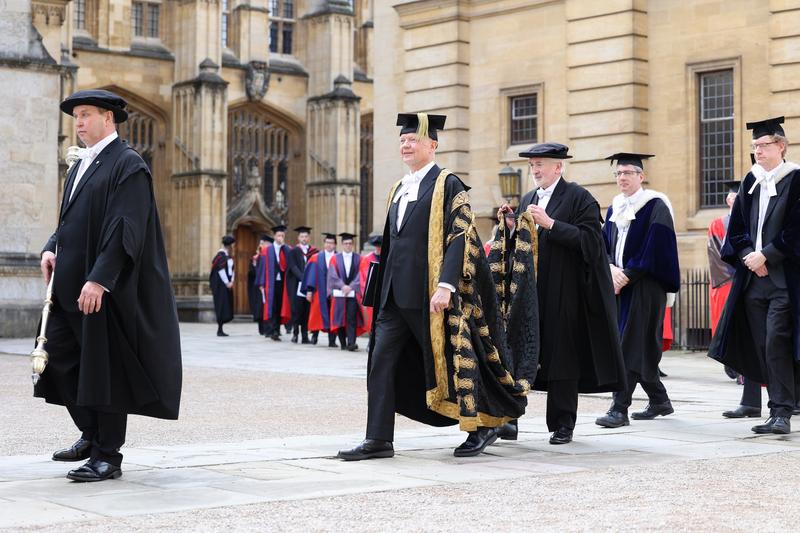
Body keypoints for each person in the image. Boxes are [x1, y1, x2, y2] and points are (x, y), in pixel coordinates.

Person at [338, 113, 538, 461]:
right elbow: (392, 243)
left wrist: (446, 284)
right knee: (380, 362)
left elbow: (460, 235)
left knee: (458, 358)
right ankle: (379, 438)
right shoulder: (398, 189)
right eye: (402, 140)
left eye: (412, 140)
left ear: (432, 145)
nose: (405, 144)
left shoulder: (448, 184)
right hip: (393, 297)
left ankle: (483, 425)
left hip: (431, 294)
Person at [36, 89, 182, 482]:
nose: (79, 123)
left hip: (100, 291)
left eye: (86, 115)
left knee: (104, 371)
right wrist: (52, 247)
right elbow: (70, 219)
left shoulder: (128, 164)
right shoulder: (82, 164)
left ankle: (107, 455)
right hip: (67, 285)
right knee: (61, 359)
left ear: (108, 119)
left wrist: (100, 279)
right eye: (76, 116)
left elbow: (125, 227)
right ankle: (91, 432)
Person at [500, 142, 626, 445]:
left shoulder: (579, 197)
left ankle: (562, 424)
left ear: (559, 167)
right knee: (520, 354)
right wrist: (510, 226)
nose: (536, 170)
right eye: (532, 165)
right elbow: (523, 244)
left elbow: (593, 244)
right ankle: (510, 420)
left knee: (562, 361)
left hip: (564, 293)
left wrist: (551, 224)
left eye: (541, 164)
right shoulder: (528, 198)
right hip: (531, 294)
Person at [710, 116, 800, 434]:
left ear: (780, 146)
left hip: (784, 281)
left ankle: (782, 412)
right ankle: (776, 408)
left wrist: (768, 255)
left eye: (763, 145)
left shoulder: (796, 179)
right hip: (753, 280)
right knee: (762, 344)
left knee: (777, 340)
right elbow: (736, 230)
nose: (757, 151)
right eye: (754, 146)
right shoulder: (751, 181)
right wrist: (749, 255)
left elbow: (795, 229)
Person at [595, 153, 680, 429]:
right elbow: (604, 243)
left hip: (646, 285)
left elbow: (656, 248)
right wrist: (610, 268)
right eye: (618, 174)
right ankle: (659, 400)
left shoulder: (655, 205)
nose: (622, 178)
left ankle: (619, 408)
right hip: (620, 284)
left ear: (641, 176)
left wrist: (627, 274)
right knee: (638, 346)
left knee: (628, 345)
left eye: (628, 173)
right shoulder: (615, 206)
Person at [328, 232, 367, 351]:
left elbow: (361, 274)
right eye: (346, 243)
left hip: (353, 293)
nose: (348, 245)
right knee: (340, 317)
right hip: (340, 293)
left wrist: (350, 286)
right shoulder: (335, 258)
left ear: (353, 245)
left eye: (350, 243)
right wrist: (342, 286)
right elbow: (332, 275)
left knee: (351, 317)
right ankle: (343, 343)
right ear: (342, 245)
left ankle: (351, 342)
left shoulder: (359, 258)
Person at [304, 233, 339, 347]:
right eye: (327, 242)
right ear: (324, 244)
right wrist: (309, 291)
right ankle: (315, 336)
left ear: (335, 245)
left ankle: (332, 340)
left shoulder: (338, 257)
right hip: (319, 290)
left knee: (333, 314)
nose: (329, 245)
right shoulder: (316, 257)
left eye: (332, 243)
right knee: (317, 314)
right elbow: (311, 275)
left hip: (335, 291)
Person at [257, 224, 291, 341]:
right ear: (274, 236)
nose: (280, 237)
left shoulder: (287, 249)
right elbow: (261, 268)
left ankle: (277, 329)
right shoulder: (267, 251)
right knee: (272, 306)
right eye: (278, 235)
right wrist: (261, 284)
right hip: (270, 284)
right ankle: (272, 330)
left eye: (282, 235)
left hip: (283, 284)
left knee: (281, 306)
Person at [287, 226, 313, 344]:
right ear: (298, 238)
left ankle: (305, 336)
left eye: (306, 236)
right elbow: (292, 267)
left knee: (306, 311)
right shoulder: (293, 251)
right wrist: (303, 278)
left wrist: (309, 281)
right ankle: (295, 333)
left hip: (308, 287)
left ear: (309, 238)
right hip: (296, 285)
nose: (304, 238)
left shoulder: (313, 252)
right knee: (296, 310)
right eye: (302, 236)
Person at [210, 235, 235, 336]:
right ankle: (219, 329)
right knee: (221, 305)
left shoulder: (228, 256)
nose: (234, 246)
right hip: (221, 286)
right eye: (233, 244)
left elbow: (232, 270)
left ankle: (221, 328)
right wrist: (227, 282)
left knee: (226, 305)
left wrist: (232, 280)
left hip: (227, 285)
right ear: (229, 245)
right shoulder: (220, 256)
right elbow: (221, 271)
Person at [248, 235, 271, 335]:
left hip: (269, 285)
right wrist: (254, 264)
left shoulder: (271, 255)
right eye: (260, 243)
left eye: (262, 243)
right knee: (260, 308)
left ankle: (270, 328)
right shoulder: (256, 257)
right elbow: (252, 273)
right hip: (259, 287)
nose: (260, 245)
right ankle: (262, 328)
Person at [359, 234, 382, 329]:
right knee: (371, 318)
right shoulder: (366, 259)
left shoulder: (387, 257)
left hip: (383, 293)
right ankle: (371, 339)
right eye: (377, 246)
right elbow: (363, 278)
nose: (378, 248)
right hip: (371, 293)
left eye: (380, 246)